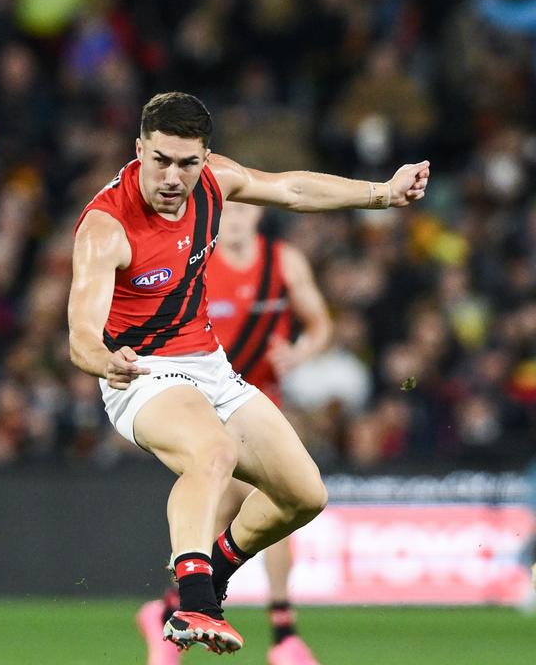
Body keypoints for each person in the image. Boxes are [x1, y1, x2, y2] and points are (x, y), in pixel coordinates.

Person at [67, 92, 427, 654]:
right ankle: (194, 603)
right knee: (213, 454)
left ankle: (213, 572)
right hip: (141, 373)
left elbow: (291, 188)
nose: (172, 177)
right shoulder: (106, 226)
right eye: (160, 160)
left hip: (210, 366)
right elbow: (81, 334)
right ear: (139, 149)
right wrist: (103, 360)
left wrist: (381, 193)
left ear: (205, 157)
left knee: (304, 495)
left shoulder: (216, 181)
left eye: (188, 163)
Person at [135, 201, 332, 665]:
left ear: (260, 215)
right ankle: (281, 631)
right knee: (252, 499)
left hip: (260, 401)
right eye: (231, 212)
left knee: (284, 499)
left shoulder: (284, 260)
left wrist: (300, 353)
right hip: (204, 399)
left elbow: (321, 324)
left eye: (247, 211)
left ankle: (175, 607)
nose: (239, 219)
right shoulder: (199, 259)